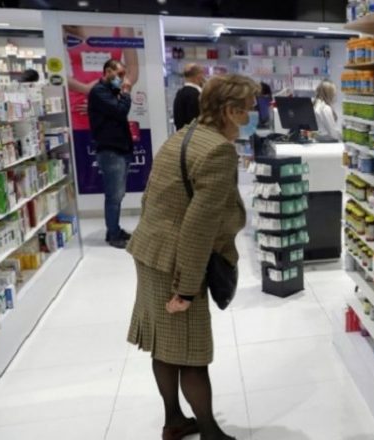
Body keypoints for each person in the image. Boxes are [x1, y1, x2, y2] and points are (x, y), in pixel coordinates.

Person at [126, 74, 259, 440]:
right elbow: (198, 228)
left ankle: (174, 421)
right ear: (230, 111)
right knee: (192, 351)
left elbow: (152, 197)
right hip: (176, 262)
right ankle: (210, 432)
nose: (253, 115)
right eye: (249, 109)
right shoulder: (218, 151)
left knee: (165, 345)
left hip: (151, 251)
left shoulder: (185, 134)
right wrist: (185, 290)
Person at [88, 59, 134, 249]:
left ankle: (114, 229)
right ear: (108, 71)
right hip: (110, 150)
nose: (122, 79)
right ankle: (113, 234)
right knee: (114, 195)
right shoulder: (99, 92)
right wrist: (126, 92)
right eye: (120, 74)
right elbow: (120, 111)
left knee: (118, 194)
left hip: (121, 148)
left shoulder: (111, 91)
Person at [173, 63, 206, 131]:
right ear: (199, 76)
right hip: (196, 135)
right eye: (202, 73)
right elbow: (196, 120)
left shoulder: (180, 93)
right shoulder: (197, 95)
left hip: (182, 134)